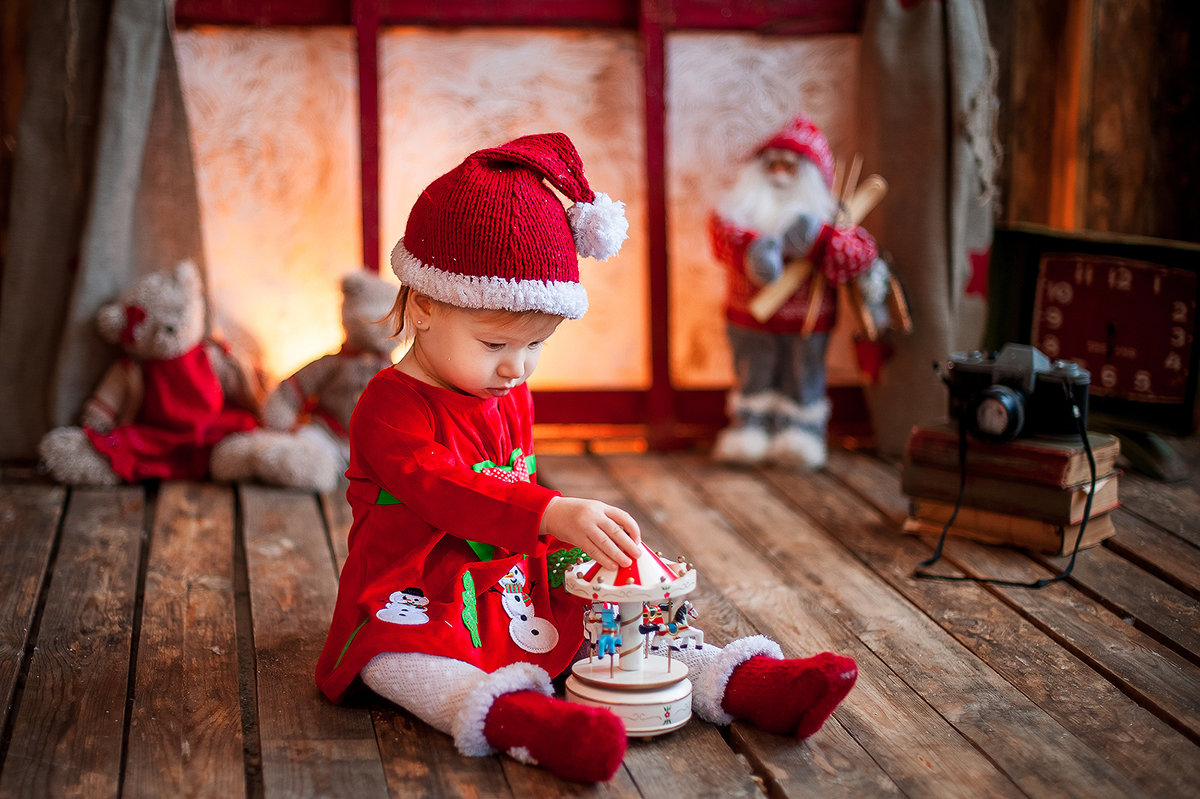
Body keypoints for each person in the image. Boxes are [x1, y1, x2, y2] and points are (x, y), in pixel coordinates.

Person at [315, 132, 858, 783]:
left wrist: (572, 534)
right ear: (425, 305)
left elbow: (516, 483)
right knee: (399, 656)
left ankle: (725, 673)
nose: (516, 367)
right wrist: (550, 510)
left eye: (537, 345)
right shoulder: (388, 405)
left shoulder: (506, 389)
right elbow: (445, 489)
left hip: (510, 574)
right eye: (495, 344)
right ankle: (517, 719)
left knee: (612, 581)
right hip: (422, 578)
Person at [710, 114, 881, 469]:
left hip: (808, 321)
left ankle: (800, 434)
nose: (779, 174)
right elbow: (721, 236)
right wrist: (754, 251)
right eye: (772, 165)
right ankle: (749, 431)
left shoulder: (832, 220)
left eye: (791, 167)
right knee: (752, 373)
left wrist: (819, 240)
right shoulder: (736, 215)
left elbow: (861, 255)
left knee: (802, 378)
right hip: (748, 317)